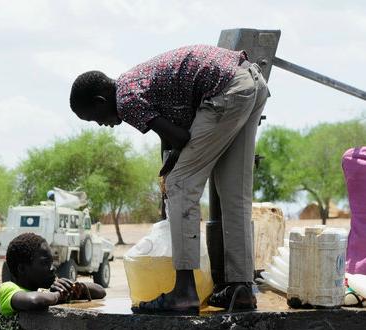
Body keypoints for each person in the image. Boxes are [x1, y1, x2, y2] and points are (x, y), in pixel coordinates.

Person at [70, 45, 268, 314]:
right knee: (233, 192)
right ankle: (241, 288)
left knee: (180, 185)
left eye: (95, 118)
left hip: (226, 90)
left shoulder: (125, 100)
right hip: (250, 82)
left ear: (100, 101)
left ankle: (184, 292)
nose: (102, 124)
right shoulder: (134, 83)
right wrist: (170, 165)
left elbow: (180, 138)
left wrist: (171, 182)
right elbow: (172, 136)